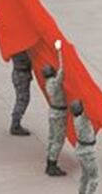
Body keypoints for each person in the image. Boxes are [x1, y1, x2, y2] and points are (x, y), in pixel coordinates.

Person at [43, 40, 68, 176]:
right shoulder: (55, 83)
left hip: (53, 111)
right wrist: (60, 52)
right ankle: (52, 165)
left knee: (52, 137)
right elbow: (62, 70)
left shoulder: (48, 83)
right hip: (59, 113)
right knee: (58, 139)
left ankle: (49, 160)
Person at [71, 100, 100, 194]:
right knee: (94, 177)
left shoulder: (76, 119)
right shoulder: (83, 119)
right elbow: (90, 111)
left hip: (81, 149)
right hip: (88, 152)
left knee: (85, 175)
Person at [10, 51, 33, 136]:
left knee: (21, 99)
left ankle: (15, 123)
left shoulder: (16, 48)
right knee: (22, 100)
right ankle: (15, 125)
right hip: (22, 76)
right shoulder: (22, 51)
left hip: (19, 74)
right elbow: (29, 60)